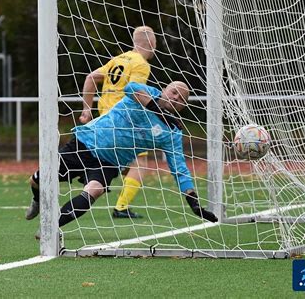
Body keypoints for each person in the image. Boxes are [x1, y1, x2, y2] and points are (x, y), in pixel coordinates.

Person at [25, 81, 218, 233]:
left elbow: (179, 168)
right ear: (165, 90)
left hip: (109, 162)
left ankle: (50, 228)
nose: (176, 97)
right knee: (37, 180)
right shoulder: (146, 92)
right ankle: (37, 199)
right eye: (174, 92)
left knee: (94, 191)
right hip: (85, 143)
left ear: (183, 106)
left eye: (182, 98)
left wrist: (194, 203)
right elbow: (129, 87)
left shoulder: (172, 132)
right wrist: (157, 110)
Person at [79, 26, 156, 219]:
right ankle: (121, 207)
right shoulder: (141, 64)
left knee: (119, 159)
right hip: (124, 119)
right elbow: (134, 92)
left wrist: (86, 109)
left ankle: (90, 176)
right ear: (153, 44)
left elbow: (90, 78)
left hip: (105, 117)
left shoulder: (119, 59)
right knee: (140, 162)